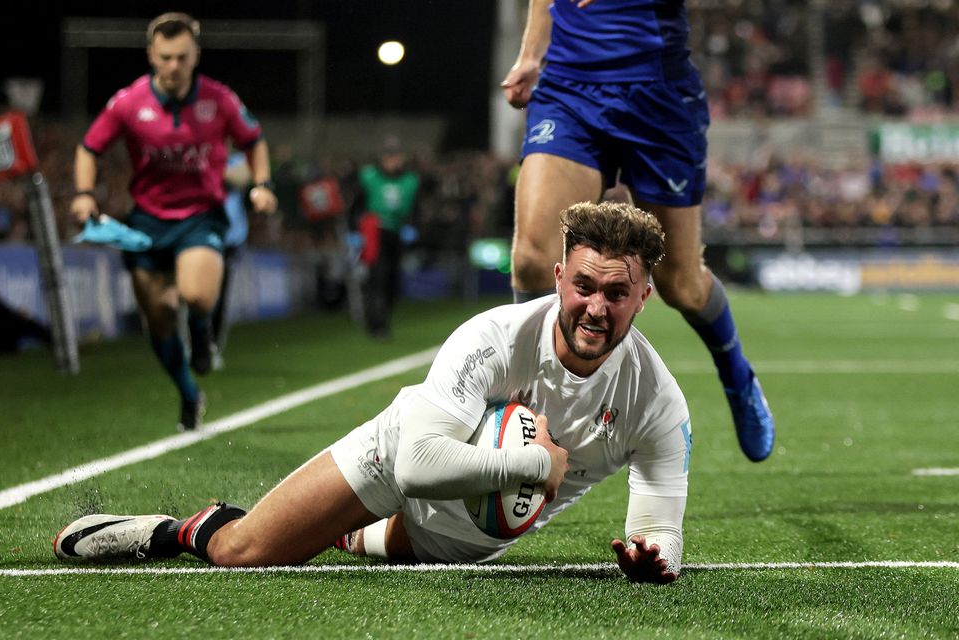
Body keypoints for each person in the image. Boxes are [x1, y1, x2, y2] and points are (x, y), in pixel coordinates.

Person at [54, 201, 691, 584]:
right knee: (243, 554)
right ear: (558, 277)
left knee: (358, 541)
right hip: (397, 459)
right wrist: (536, 462)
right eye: (584, 286)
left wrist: (653, 556)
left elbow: (660, 525)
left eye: (616, 293)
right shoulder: (494, 336)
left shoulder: (656, 401)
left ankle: (347, 530)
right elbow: (416, 465)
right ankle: (178, 530)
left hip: (474, 538)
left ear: (644, 296)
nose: (595, 307)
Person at [500, 0, 775, 462]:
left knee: (681, 285)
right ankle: (528, 411)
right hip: (569, 86)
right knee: (531, 257)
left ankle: (737, 375)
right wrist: (531, 53)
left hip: (657, 95)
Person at [69, 12, 277, 431]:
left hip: (201, 217)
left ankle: (202, 333)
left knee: (197, 295)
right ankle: (188, 393)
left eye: (181, 57)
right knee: (159, 318)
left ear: (195, 54)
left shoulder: (219, 99)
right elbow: (89, 148)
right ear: (151, 54)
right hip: (146, 223)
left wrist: (262, 183)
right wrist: (84, 194)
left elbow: (254, 141)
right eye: (165, 57)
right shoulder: (128, 102)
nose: (173, 66)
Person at [355, 136, 420, 340]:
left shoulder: (410, 181)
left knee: (393, 280)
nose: (392, 161)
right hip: (375, 232)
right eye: (388, 156)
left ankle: (382, 318)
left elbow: (416, 210)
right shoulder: (369, 177)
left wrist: (413, 228)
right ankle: (376, 323)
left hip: (397, 233)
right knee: (378, 277)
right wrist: (354, 232)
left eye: (396, 156)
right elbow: (356, 206)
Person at [207, 151, 252, 371]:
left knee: (218, 296)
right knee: (194, 293)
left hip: (227, 239)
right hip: (199, 231)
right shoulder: (197, 153)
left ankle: (212, 346)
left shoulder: (237, 159)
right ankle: (193, 344)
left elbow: (242, 177)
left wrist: (206, 167)